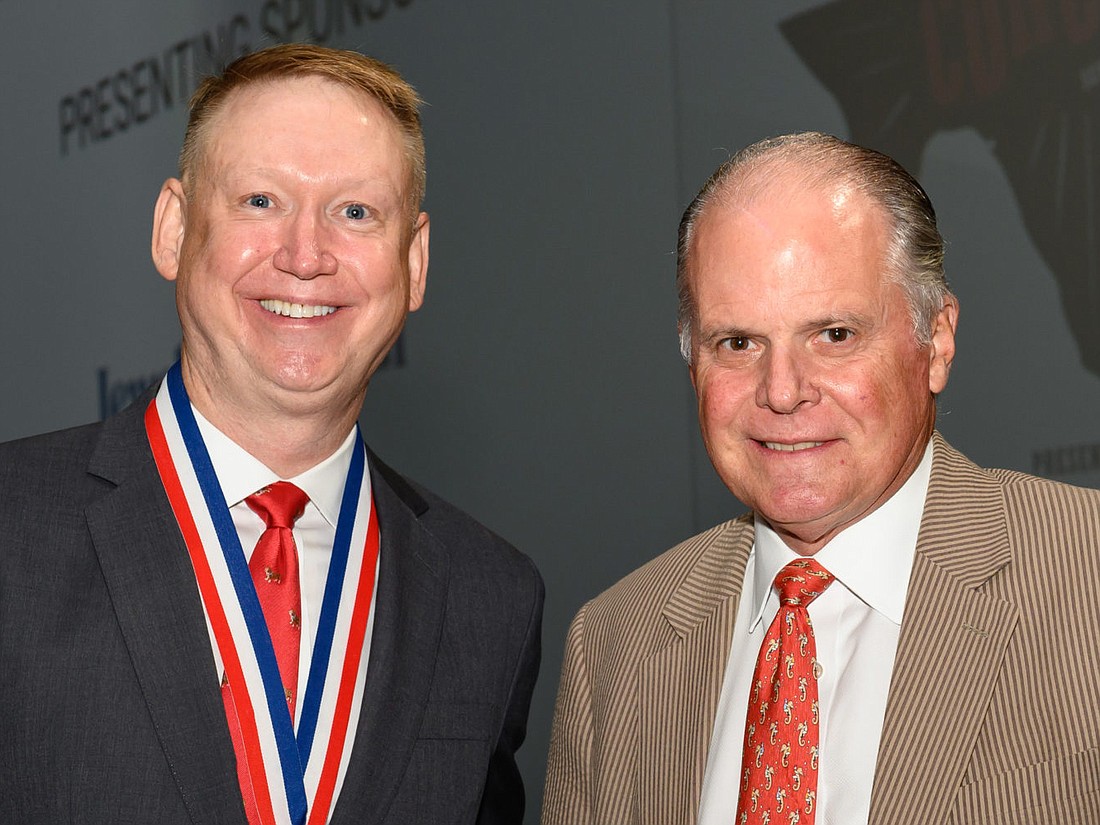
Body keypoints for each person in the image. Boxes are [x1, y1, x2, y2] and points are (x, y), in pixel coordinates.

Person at [0, 43, 542, 825]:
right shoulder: (13, 529)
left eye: (355, 212)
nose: (305, 255)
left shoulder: (490, 596)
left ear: (415, 262)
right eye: (260, 200)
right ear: (172, 229)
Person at [541, 132, 1100, 824]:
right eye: (738, 342)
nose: (782, 390)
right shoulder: (613, 645)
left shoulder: (1086, 575)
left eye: (834, 334)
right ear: (692, 366)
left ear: (937, 340)